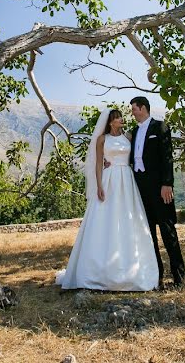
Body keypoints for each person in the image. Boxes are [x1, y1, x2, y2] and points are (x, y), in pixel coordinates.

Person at [56, 109, 159, 291]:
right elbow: (97, 163)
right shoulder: (102, 139)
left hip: (127, 179)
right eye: (118, 117)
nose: (121, 119)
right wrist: (99, 186)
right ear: (111, 122)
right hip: (109, 179)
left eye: (121, 117)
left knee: (129, 219)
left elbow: (137, 156)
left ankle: (131, 269)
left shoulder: (128, 136)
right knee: (105, 219)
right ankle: (98, 270)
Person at [129, 96, 185, 287]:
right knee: (149, 234)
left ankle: (178, 276)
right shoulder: (134, 132)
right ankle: (157, 275)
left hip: (160, 188)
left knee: (168, 231)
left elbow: (167, 157)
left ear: (143, 108)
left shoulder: (160, 127)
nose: (132, 113)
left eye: (134, 109)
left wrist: (167, 184)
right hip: (140, 189)